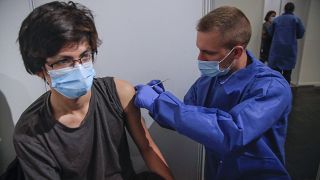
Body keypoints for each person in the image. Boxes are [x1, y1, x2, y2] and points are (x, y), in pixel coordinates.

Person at [13, 1, 173, 180]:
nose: (79, 68)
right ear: (40, 71)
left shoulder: (119, 93)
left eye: (85, 56)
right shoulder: (30, 133)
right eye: (64, 61)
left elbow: (147, 148)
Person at [134, 6, 292, 180]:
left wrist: (162, 104)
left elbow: (232, 133)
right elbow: (187, 119)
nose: (199, 59)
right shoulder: (207, 82)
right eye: (199, 49)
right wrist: (159, 103)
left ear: (237, 52)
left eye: (208, 52)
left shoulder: (271, 87)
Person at [268, 2, 305, 84]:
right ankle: (286, 92)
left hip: (277, 50)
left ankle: (274, 92)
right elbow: (300, 34)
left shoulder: (277, 20)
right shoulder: (296, 20)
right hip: (290, 50)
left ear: (284, 9)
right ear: (293, 9)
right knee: (287, 74)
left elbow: (270, 33)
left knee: (275, 74)